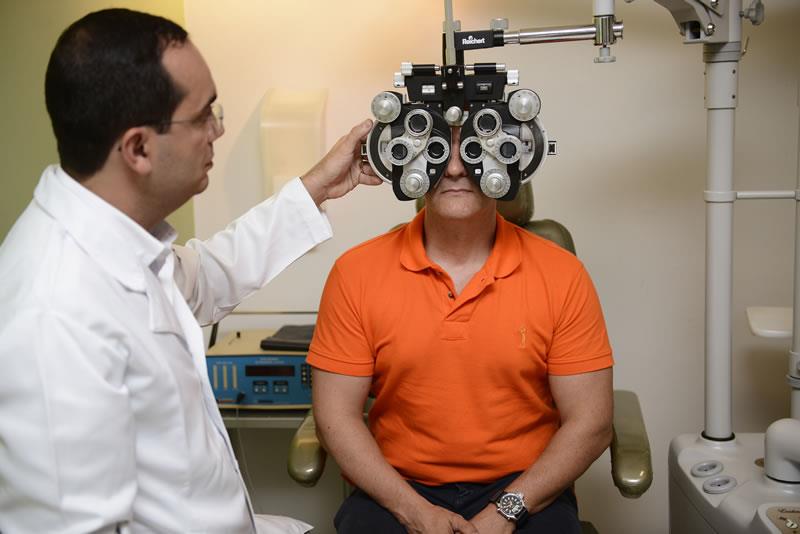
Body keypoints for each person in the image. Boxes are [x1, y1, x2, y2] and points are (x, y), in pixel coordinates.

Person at [0, 8, 379, 534]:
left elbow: (208, 276)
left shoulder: (117, 243)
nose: (218, 130)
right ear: (138, 148)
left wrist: (317, 186)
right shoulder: (53, 314)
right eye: (203, 117)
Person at [307, 126, 614, 534]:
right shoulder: (356, 273)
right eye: (437, 150)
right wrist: (413, 511)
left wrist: (506, 512)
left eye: (474, 149)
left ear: (509, 159)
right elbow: (336, 416)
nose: (454, 169)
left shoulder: (562, 274)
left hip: (524, 487)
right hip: (398, 487)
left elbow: (591, 422)